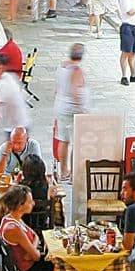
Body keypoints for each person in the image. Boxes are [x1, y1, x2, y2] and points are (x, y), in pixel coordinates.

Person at [0, 185, 54, 271]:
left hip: (33, 265)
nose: (33, 203)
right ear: (19, 205)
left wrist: (31, 250)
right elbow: (36, 256)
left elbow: (35, 236)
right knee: (64, 266)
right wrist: (33, 251)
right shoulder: (14, 229)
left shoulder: (13, 218)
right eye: (30, 201)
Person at [50, 43, 90, 178]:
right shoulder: (76, 70)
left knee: (63, 140)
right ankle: (73, 174)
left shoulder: (62, 66)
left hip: (60, 106)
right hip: (72, 110)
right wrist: (83, 108)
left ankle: (63, 171)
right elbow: (75, 91)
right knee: (76, 141)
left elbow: (57, 87)